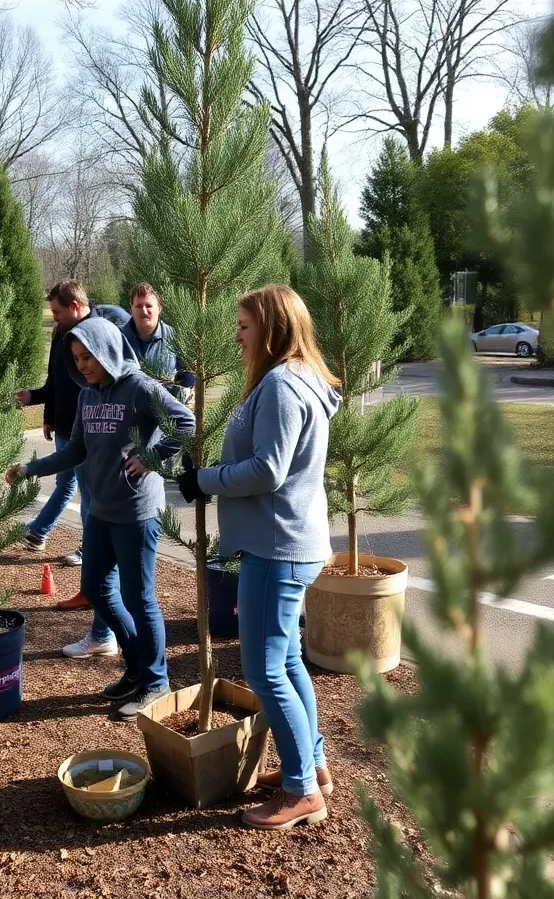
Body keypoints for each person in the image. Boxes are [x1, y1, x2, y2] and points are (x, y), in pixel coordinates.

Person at [177, 285, 341, 831]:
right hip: (288, 542)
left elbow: (268, 470)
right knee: (288, 662)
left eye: (244, 325)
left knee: (263, 669)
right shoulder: (302, 379)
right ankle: (312, 768)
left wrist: (202, 481)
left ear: (270, 328)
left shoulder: (281, 384)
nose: (238, 335)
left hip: (277, 547)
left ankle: (300, 793)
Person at [7, 317, 195, 721]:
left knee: (139, 598)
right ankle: (137, 667)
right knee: (94, 586)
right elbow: (74, 450)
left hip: (136, 512)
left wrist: (151, 458)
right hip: (101, 512)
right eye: (76, 358)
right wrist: (29, 469)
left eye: (87, 355)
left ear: (107, 349)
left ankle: (156, 681)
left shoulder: (139, 387)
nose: (83, 364)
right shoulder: (88, 397)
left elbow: (185, 424)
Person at [14, 281, 128, 660]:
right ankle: (100, 611)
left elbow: (172, 420)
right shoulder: (64, 337)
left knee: (86, 498)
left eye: (59, 312)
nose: (55, 319)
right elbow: (56, 383)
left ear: (77, 306)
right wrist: (41, 407)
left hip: (105, 464)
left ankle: (133, 653)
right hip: (68, 429)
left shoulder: (99, 345)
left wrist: (148, 456)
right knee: (70, 486)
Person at [121, 282, 195, 405]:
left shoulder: (175, 338)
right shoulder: (117, 337)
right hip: (127, 414)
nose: (144, 310)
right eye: (139, 306)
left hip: (165, 415)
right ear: (131, 309)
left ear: (159, 308)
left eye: (148, 306)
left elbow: (188, 377)